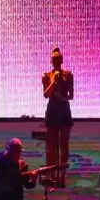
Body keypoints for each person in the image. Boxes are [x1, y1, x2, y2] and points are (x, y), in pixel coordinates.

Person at [41, 47, 74, 187]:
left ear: (61, 60)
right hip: (52, 113)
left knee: (64, 146)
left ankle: (62, 177)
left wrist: (61, 97)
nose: (56, 62)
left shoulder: (68, 74)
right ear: (51, 61)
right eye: (53, 59)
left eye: (58, 59)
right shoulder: (46, 75)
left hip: (64, 112)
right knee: (51, 147)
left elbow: (71, 96)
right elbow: (46, 95)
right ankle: (51, 176)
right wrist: (54, 81)